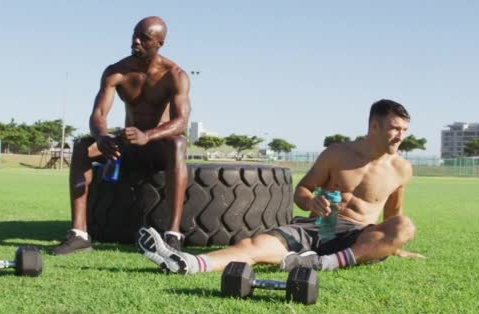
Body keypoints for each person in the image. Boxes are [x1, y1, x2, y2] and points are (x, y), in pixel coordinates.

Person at [138, 99, 424, 274]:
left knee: (405, 226)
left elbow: (393, 217)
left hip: (357, 236)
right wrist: (312, 202)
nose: (400, 136)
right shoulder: (337, 153)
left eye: (404, 130)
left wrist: (394, 246)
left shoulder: (402, 168)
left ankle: (324, 263)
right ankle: (188, 263)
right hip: (319, 228)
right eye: (395, 128)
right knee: (254, 246)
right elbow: (302, 191)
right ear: (374, 126)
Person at [53, 16, 191, 255]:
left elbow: (180, 122)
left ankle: (173, 235)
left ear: (159, 43)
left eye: (144, 39)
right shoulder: (116, 72)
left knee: (178, 144)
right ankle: (79, 234)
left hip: (156, 145)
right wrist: (101, 137)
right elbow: (98, 114)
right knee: (81, 147)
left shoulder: (175, 75)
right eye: (134, 35)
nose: (136, 41)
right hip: (127, 145)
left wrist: (148, 135)